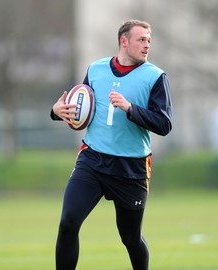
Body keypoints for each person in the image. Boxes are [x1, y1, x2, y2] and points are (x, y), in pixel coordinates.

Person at [50, 19, 173, 270]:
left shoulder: (155, 77)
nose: (147, 45)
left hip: (131, 166)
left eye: (149, 40)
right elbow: (81, 107)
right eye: (141, 40)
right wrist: (57, 111)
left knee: (130, 237)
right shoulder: (96, 69)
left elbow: (164, 124)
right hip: (92, 160)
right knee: (68, 222)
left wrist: (130, 108)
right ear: (124, 41)